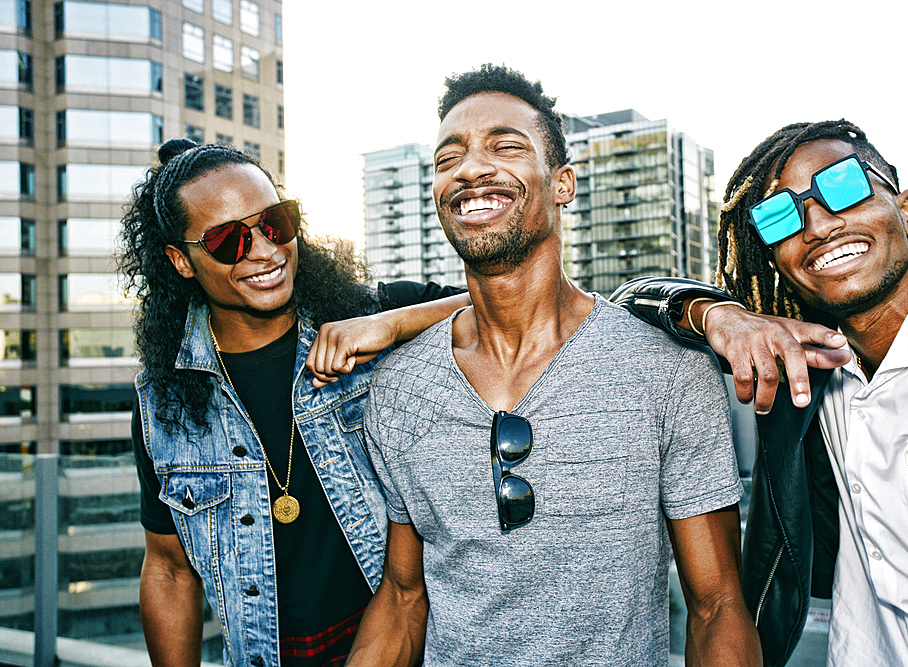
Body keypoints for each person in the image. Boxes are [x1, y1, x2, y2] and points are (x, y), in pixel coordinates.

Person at [343, 64, 761, 666]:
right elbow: (406, 598)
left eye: (505, 146)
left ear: (563, 183)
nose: (469, 169)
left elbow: (717, 606)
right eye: (447, 159)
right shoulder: (400, 385)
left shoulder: (668, 372)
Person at [612, 120, 908, 666]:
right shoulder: (797, 370)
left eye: (843, 186)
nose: (816, 225)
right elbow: (620, 308)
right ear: (775, 259)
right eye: (780, 216)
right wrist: (718, 313)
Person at [119, 139, 468, 667]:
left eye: (275, 223)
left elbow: (504, 299)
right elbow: (168, 567)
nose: (264, 250)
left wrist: (391, 323)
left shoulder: (366, 318)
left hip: (406, 640)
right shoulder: (164, 399)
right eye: (228, 240)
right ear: (181, 261)